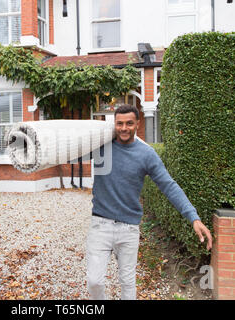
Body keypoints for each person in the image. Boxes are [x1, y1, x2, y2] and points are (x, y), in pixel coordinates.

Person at [87, 104, 212, 300]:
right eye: (119, 124)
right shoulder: (100, 147)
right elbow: (67, 148)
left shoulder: (146, 154)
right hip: (100, 224)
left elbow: (169, 186)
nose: (124, 128)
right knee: (94, 282)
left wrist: (193, 217)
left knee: (127, 282)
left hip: (129, 228)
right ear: (114, 124)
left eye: (129, 123)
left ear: (138, 123)